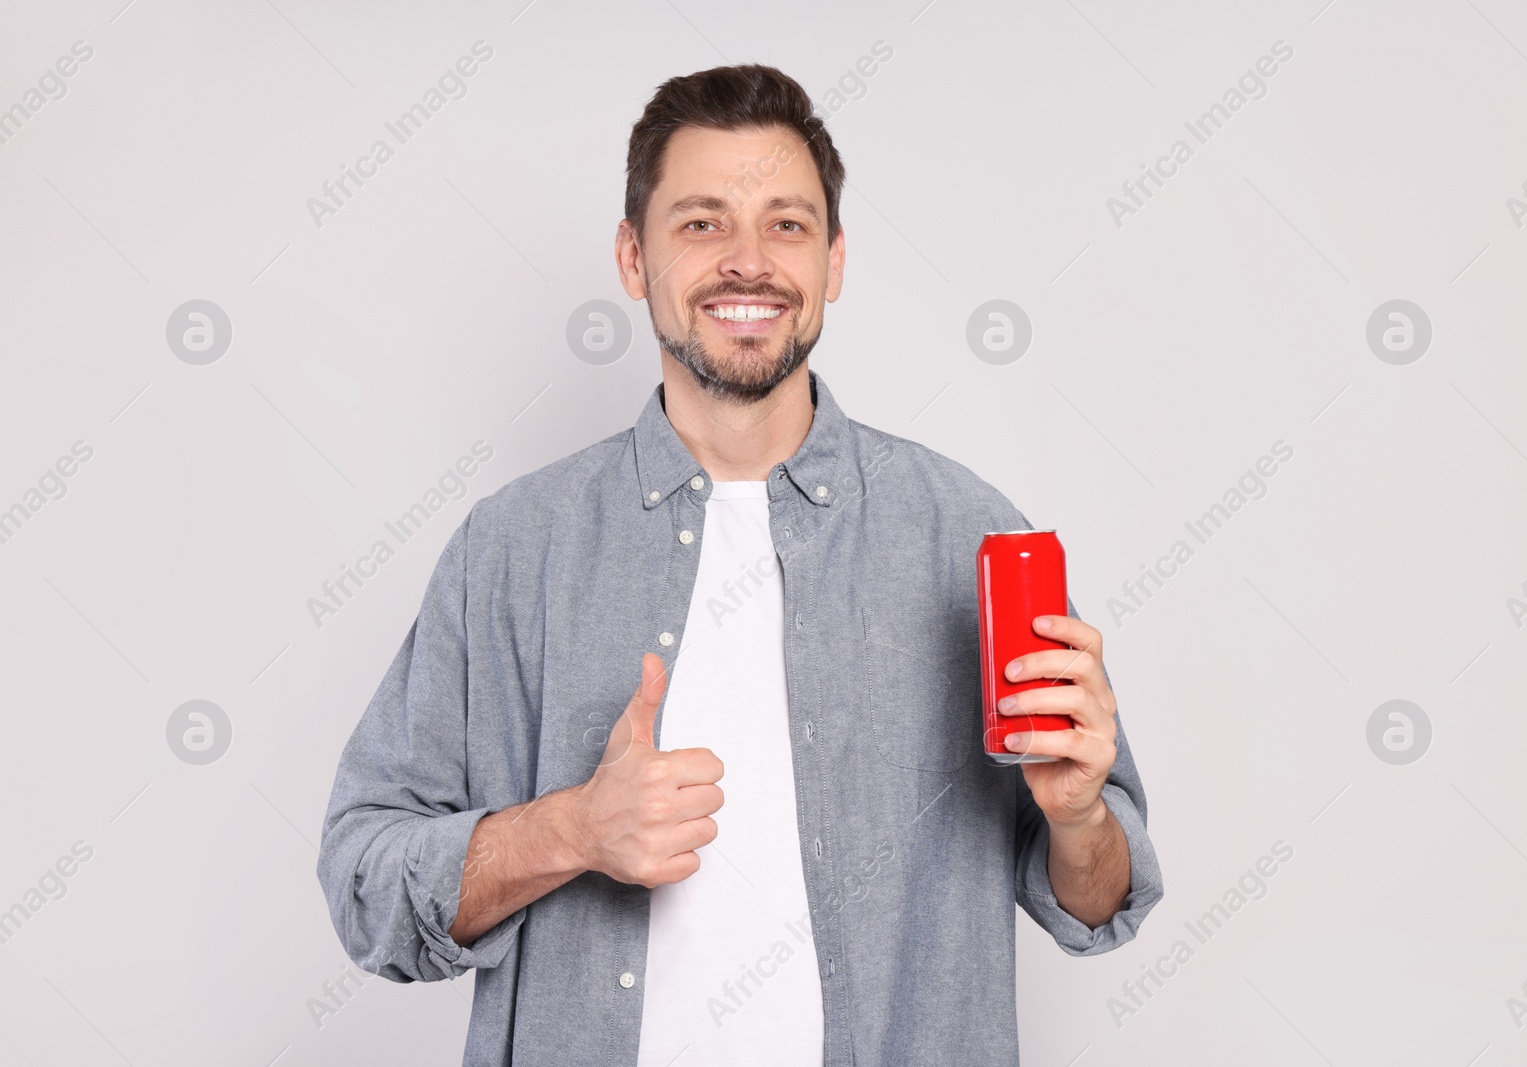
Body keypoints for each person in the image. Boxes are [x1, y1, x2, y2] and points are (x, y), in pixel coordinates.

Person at [317, 62, 1162, 1067]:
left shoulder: (966, 531)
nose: (749, 262)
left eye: (788, 224)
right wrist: (571, 830)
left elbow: (1097, 903)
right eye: (703, 222)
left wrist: (1075, 816)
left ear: (835, 259)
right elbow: (363, 883)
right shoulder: (511, 549)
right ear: (634, 258)